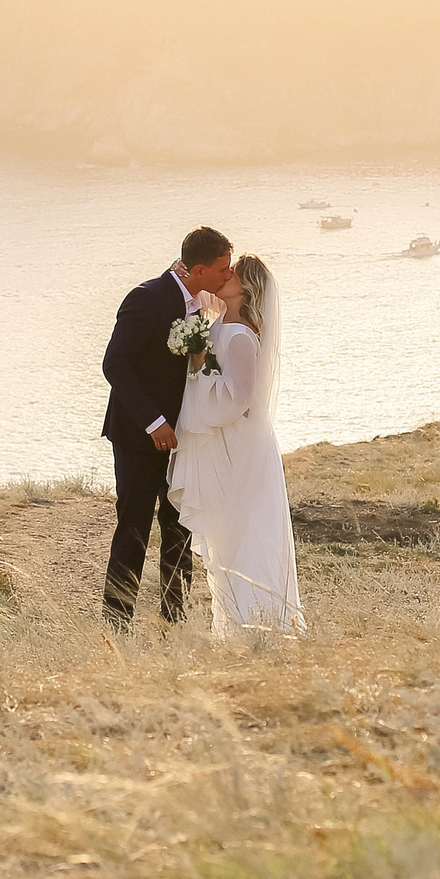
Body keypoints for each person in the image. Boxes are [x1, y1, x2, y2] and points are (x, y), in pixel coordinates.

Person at [99, 227, 234, 628]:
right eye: (222, 269)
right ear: (197, 270)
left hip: (184, 439)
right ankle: (115, 623)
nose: (228, 276)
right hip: (139, 438)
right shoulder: (147, 297)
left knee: (179, 530)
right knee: (134, 528)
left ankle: (172, 621)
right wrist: (154, 423)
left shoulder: (201, 304)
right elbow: (115, 365)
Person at [169, 255, 304, 633]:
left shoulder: (242, 335)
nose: (225, 276)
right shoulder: (221, 322)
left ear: (245, 288)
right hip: (224, 440)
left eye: (232, 274)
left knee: (246, 532)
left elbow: (239, 399)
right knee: (227, 537)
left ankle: (260, 623)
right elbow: (197, 297)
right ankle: (235, 623)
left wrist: (199, 372)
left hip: (240, 446)